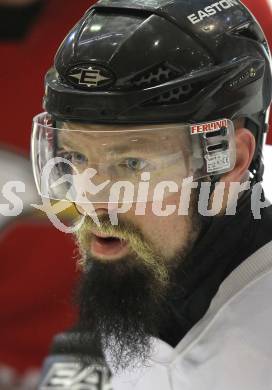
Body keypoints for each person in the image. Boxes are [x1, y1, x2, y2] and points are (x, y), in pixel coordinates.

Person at [35, 0, 272, 389]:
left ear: (230, 160)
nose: (93, 204)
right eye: (76, 156)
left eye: (131, 164)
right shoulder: (138, 289)